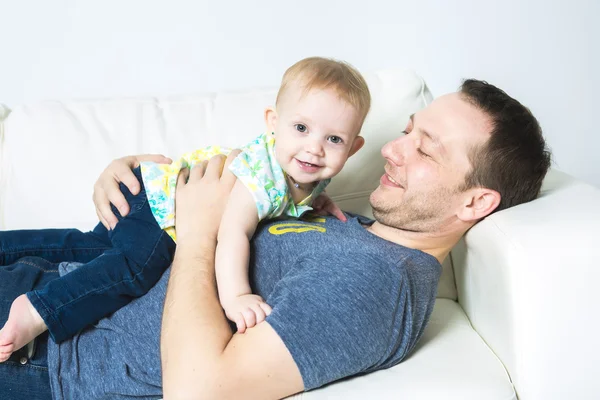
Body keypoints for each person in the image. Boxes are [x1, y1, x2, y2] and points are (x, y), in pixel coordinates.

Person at [0, 79, 551, 400]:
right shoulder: (349, 229)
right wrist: (144, 183)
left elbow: (199, 390)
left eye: (426, 149)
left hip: (43, 358)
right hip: (56, 279)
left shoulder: (377, 284)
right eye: (408, 130)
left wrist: (196, 232)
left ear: (475, 202)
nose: (392, 149)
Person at [0, 56, 370, 362]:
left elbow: (302, 193)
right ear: (273, 123)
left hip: (155, 194)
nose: (315, 148)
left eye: (333, 139)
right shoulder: (264, 180)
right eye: (301, 128)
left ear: (352, 148)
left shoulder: (307, 174)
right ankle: (37, 311)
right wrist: (236, 296)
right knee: (134, 269)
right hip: (165, 208)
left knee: (87, 249)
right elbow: (232, 233)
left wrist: (317, 202)